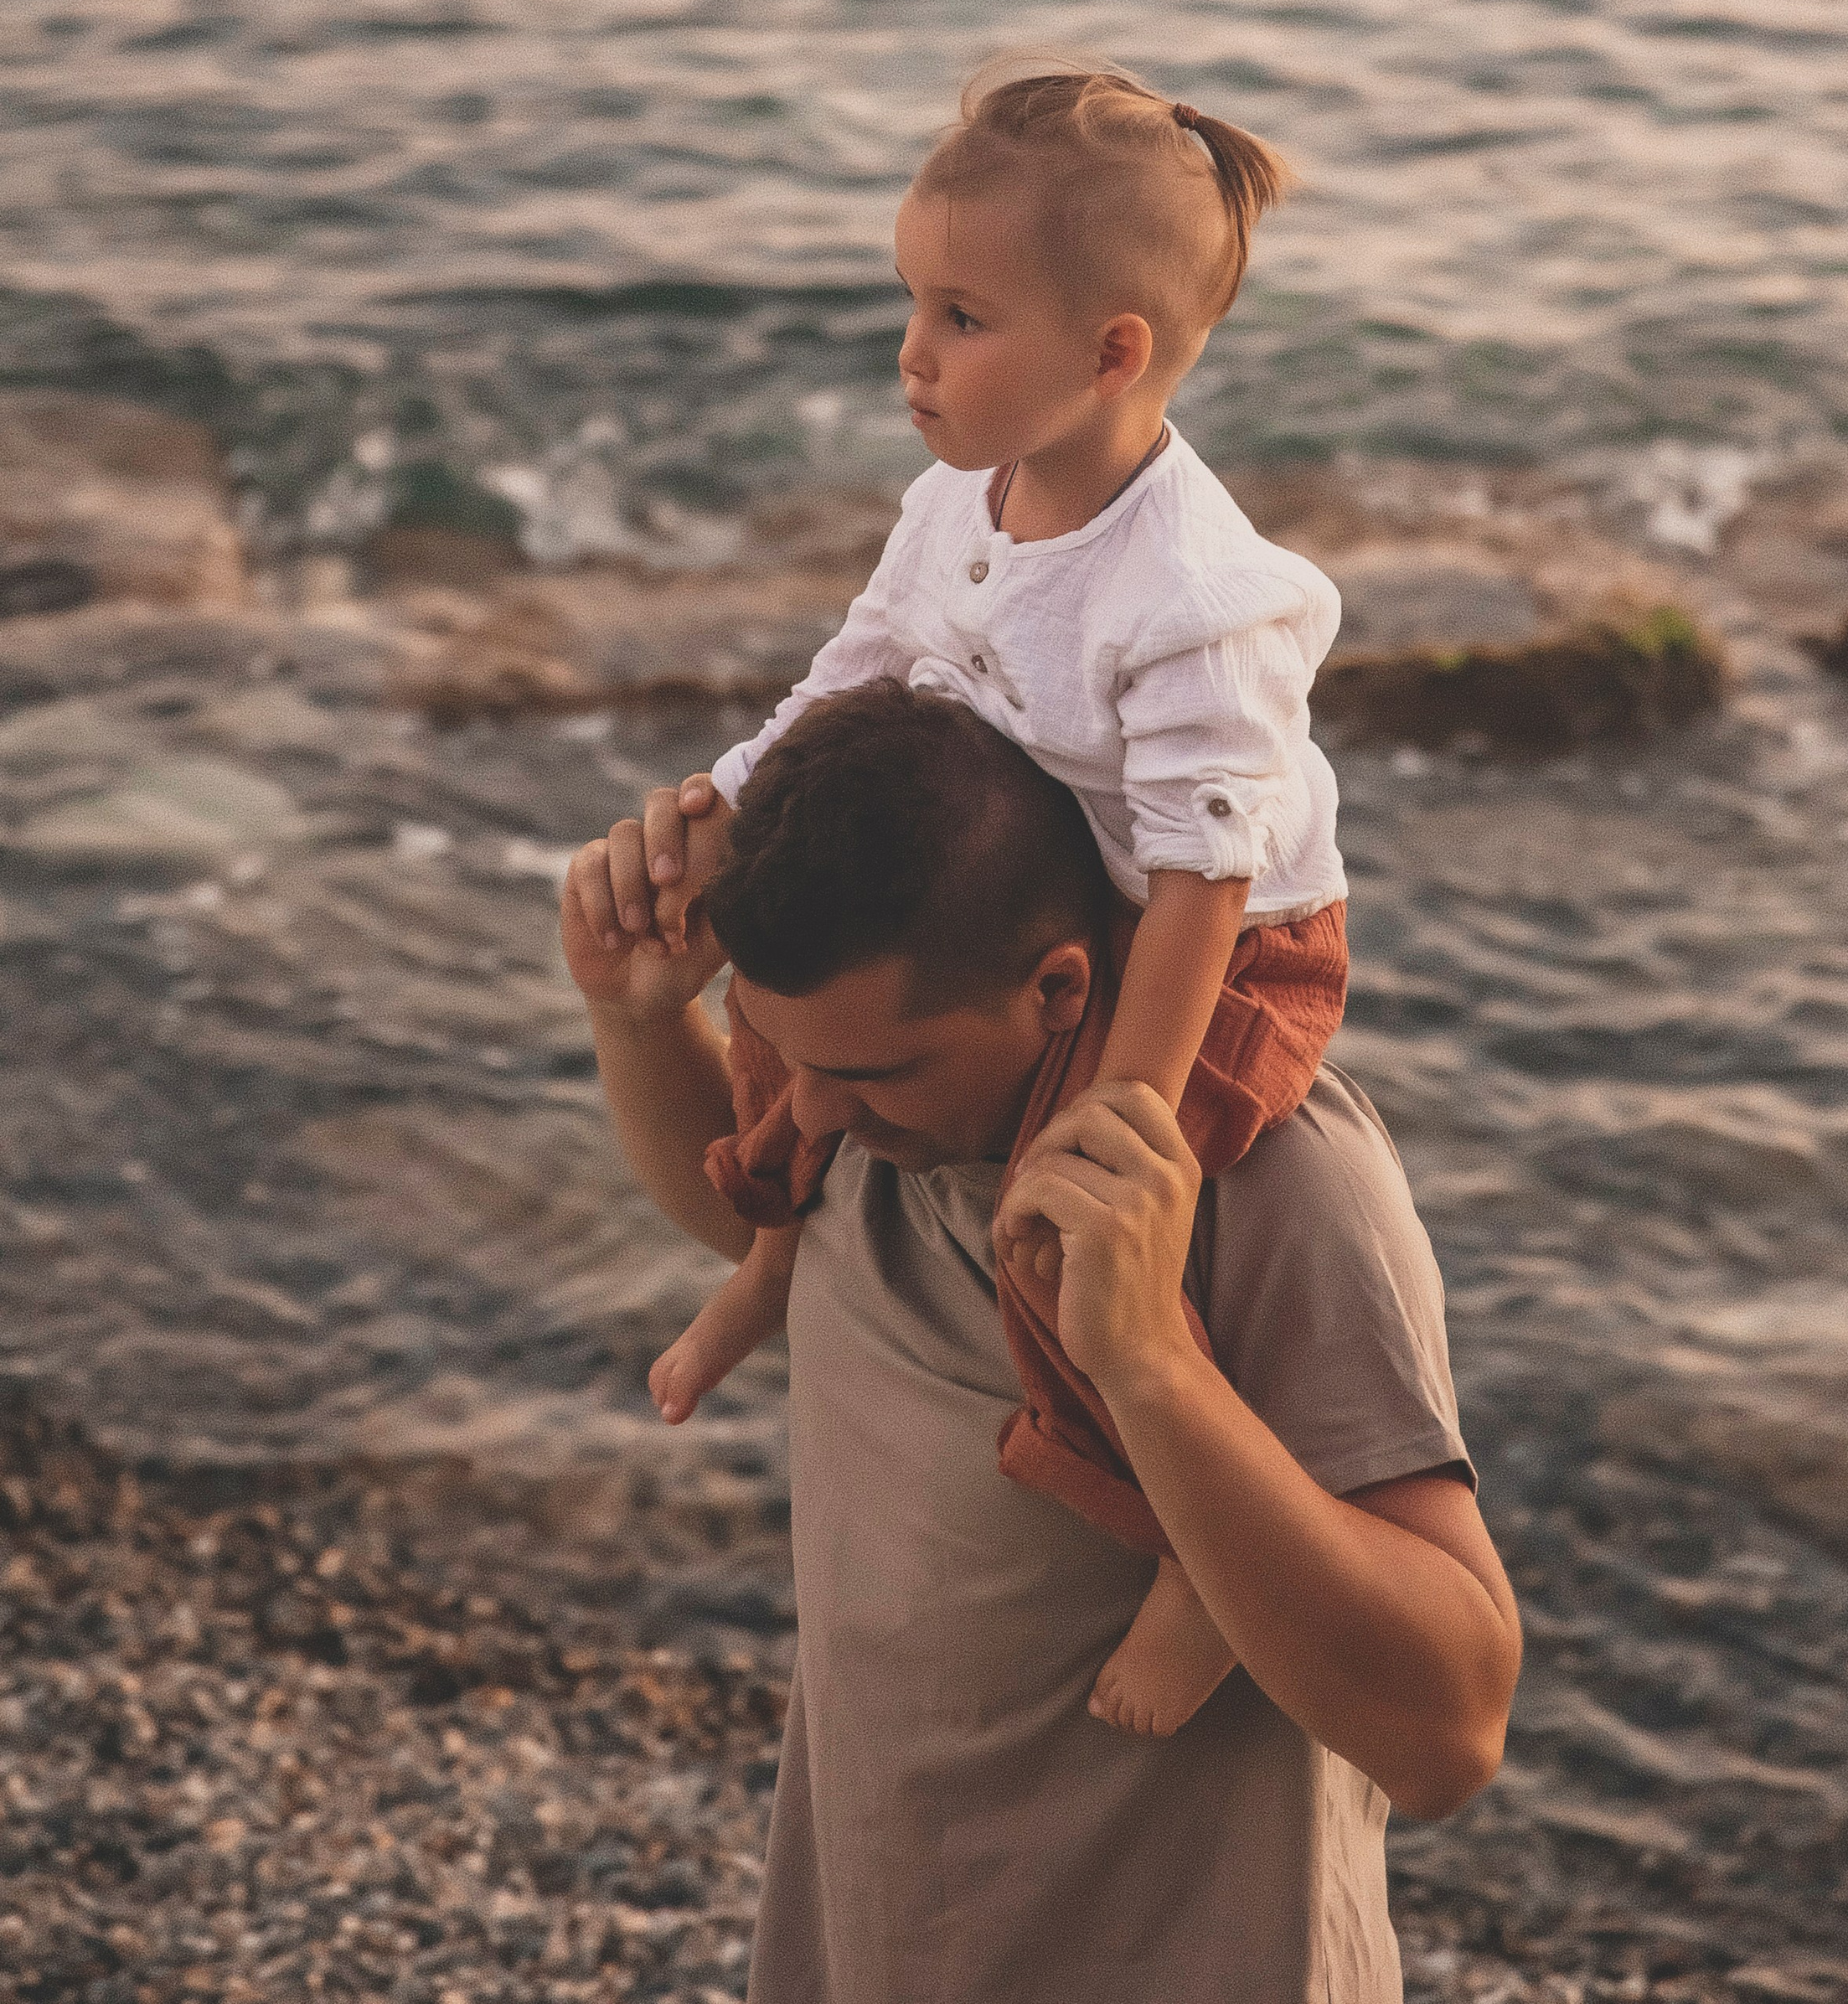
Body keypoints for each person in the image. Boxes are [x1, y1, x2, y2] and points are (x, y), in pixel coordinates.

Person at [560, 684, 1520, 2004]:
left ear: (1060, 987)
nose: (813, 1117)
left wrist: (1152, 1365)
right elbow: (770, 1230)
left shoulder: (1269, 1185)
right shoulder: (876, 1113)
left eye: (870, 1075)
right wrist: (638, 1016)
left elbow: (1451, 1734)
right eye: (781, 1050)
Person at [632, 54, 1351, 1738]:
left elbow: (1204, 873)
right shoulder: (961, 496)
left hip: (1220, 950)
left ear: (1111, 355)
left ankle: (1188, 1549)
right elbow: (855, 670)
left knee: (1075, 1232)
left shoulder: (1191, 594)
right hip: (1056, 895)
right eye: (910, 303)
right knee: (789, 1005)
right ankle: (773, 1258)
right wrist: (727, 811)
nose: (911, 353)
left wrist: (1125, 1110)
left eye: (960, 319)